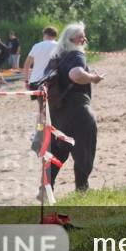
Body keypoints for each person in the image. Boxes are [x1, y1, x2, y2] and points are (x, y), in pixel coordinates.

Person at [45, 22, 103, 195]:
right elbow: (76, 75)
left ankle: (47, 189)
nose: (84, 39)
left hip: (56, 113)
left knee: (57, 152)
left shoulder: (56, 56)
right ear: (72, 40)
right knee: (83, 151)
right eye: (81, 37)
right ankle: (82, 189)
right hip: (77, 111)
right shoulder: (76, 54)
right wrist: (93, 78)